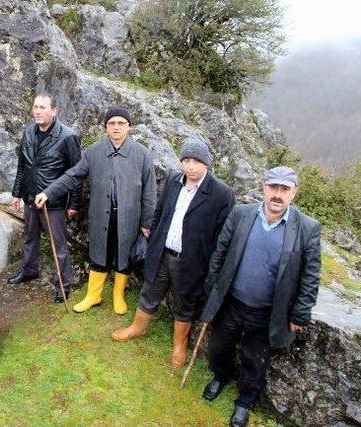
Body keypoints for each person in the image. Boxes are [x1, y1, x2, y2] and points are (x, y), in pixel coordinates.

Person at [199, 166, 321, 427]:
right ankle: (221, 376)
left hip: (269, 312)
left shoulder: (308, 228)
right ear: (264, 188)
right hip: (231, 303)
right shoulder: (241, 214)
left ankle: (245, 400)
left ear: (294, 193)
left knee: (256, 360)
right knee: (219, 347)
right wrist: (213, 290)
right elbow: (220, 253)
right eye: (273, 187)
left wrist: (300, 312)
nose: (277, 195)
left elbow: (311, 275)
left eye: (284, 189)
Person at [111, 139, 235, 369]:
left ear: (206, 164)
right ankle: (138, 328)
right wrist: (154, 235)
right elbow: (160, 210)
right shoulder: (173, 180)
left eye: (196, 161)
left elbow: (223, 235)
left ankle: (179, 345)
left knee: (184, 303)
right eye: (186, 161)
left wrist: (210, 263)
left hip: (191, 261)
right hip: (162, 253)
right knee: (150, 291)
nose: (190, 166)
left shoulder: (222, 194)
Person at [34, 106, 156, 314]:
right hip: (101, 216)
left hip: (129, 218)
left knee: (124, 256)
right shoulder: (93, 152)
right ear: (106, 127)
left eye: (121, 123)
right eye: (112, 123)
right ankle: (94, 295)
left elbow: (150, 191)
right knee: (99, 254)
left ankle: (118, 295)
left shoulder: (142, 155)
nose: (116, 127)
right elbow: (72, 176)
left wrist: (146, 222)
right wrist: (48, 193)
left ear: (128, 126)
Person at [8, 93, 82, 303]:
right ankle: (29, 270)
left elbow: (76, 173)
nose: (37, 111)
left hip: (53, 203)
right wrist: (17, 193)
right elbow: (23, 165)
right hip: (30, 197)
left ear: (54, 111)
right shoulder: (28, 132)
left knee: (58, 246)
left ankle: (63, 286)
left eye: (42, 107)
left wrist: (74, 204)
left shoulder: (67, 136)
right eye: (35, 107)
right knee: (30, 238)